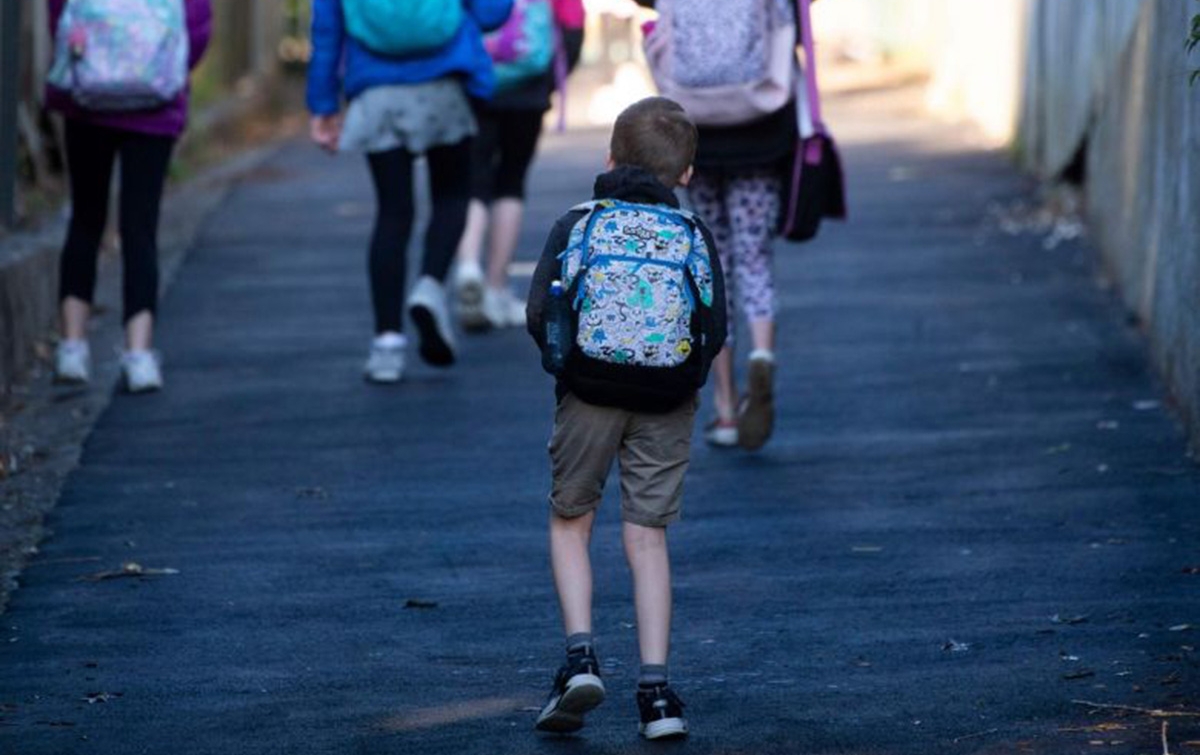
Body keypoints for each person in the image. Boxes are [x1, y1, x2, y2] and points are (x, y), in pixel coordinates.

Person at [525, 97, 727, 739]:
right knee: (646, 537)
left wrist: (572, 368)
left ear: (609, 158)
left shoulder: (580, 223)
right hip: (667, 399)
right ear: (687, 175)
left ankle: (581, 657)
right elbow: (714, 326)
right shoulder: (693, 235)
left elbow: (541, 311)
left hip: (588, 393)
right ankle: (658, 695)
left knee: (570, 520)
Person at [307, 0, 513, 383]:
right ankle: (430, 285)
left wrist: (322, 104)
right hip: (444, 84)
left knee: (392, 212)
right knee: (452, 195)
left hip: (375, 91)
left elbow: (326, 32)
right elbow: (491, 14)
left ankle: (387, 345)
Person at [639, 0, 799, 450]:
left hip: (697, 125)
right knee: (754, 257)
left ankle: (726, 409)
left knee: (715, 263)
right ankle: (762, 356)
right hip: (762, 120)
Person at [47, 0, 213, 393]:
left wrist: (91, 57)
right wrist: (158, 63)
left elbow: (59, 15)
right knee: (140, 229)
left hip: (87, 101)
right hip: (154, 107)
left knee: (86, 219)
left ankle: (72, 347)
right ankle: (138, 355)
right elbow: (199, 24)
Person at [453, 0, 585, 331]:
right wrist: (549, 78)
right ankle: (497, 288)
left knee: (472, 180)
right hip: (528, 86)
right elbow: (572, 19)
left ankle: (469, 266)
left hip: (474, 81)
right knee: (510, 182)